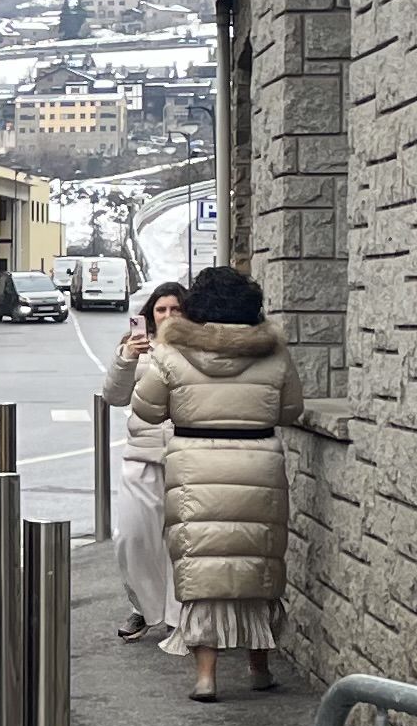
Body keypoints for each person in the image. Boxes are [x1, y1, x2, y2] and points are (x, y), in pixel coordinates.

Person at [132, 264, 305, 701]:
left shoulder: (171, 353)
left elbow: (147, 411)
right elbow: (290, 411)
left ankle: (206, 677)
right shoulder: (275, 352)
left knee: (202, 570)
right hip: (258, 463)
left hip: (196, 467)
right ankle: (259, 669)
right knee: (257, 566)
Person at [99, 282, 189, 646]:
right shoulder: (135, 346)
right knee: (132, 538)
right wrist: (126, 358)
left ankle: (174, 616)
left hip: (185, 455)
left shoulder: (196, 346)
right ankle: (143, 607)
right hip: (141, 454)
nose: (168, 316)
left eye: (175, 309)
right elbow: (113, 396)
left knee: (177, 541)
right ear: (150, 314)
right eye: (161, 310)